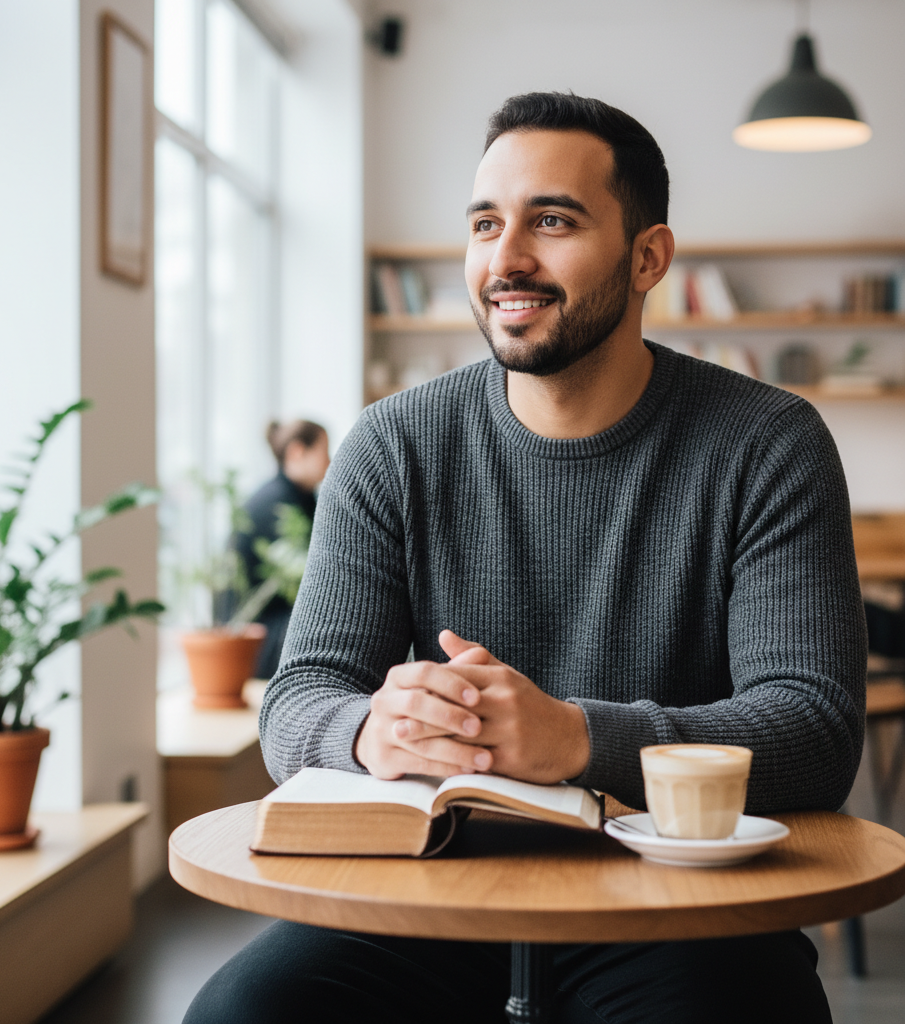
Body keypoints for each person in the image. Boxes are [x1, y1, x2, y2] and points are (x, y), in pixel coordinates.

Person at [185, 93, 865, 1023]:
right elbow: (299, 696)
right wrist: (371, 730)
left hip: (679, 903)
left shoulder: (767, 443)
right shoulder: (390, 445)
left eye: (552, 220)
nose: (506, 259)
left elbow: (814, 729)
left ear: (648, 257)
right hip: (420, 893)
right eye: (484, 224)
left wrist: (576, 740)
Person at [213, 419, 329, 678]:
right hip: (255, 636)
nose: (330, 462)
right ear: (297, 452)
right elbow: (313, 576)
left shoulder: (299, 497)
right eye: (324, 452)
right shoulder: (275, 504)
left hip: (274, 625)